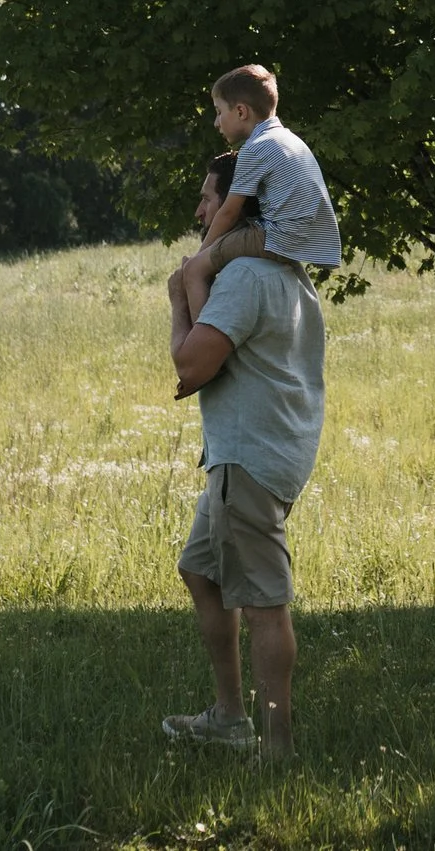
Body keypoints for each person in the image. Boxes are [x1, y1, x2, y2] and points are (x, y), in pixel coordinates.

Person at [160, 133, 332, 760]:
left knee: (263, 603)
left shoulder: (247, 279)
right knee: (202, 571)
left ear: (241, 209)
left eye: (208, 200)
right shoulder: (288, 276)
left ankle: (276, 746)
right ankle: (230, 718)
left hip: (248, 458)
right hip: (253, 452)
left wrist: (181, 296)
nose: (201, 213)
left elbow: (191, 365)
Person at [173, 63, 343, 323]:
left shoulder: (256, 148)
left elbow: (229, 212)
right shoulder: (290, 140)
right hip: (302, 239)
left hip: (277, 236)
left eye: (219, 112)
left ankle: (205, 353)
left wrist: (201, 254)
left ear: (241, 111)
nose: (216, 122)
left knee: (195, 271)